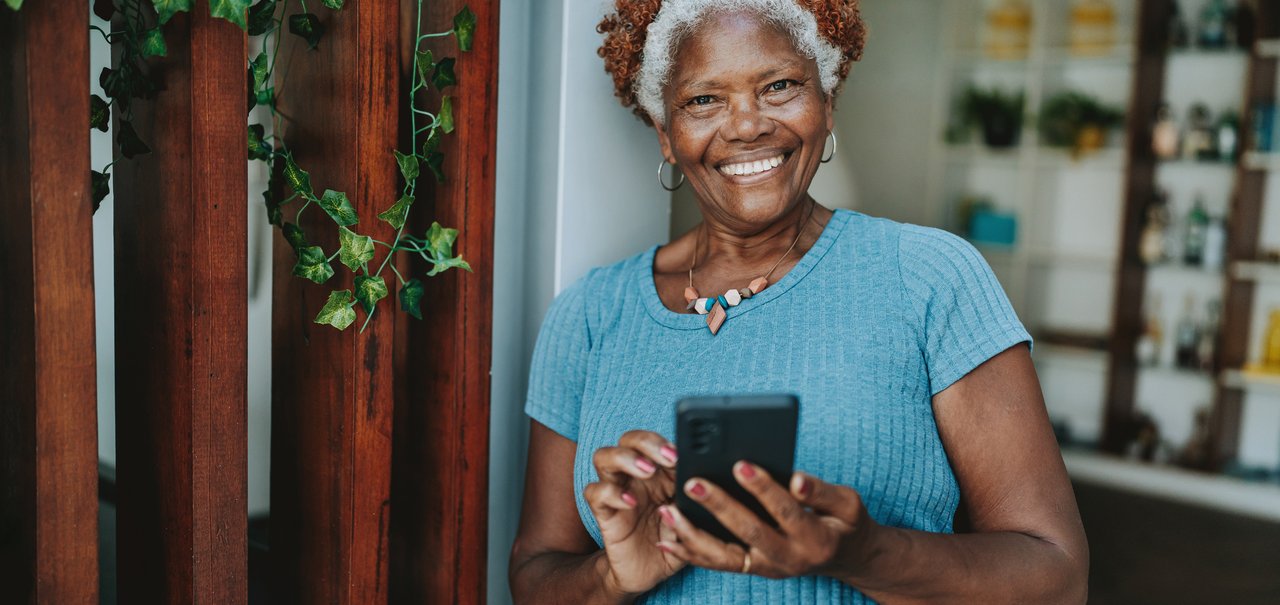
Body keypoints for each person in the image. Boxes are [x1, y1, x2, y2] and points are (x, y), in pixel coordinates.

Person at [509, 1, 1088, 603]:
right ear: (665, 133)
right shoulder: (589, 316)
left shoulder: (930, 278)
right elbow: (534, 574)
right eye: (704, 99)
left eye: (780, 86)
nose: (747, 124)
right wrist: (612, 577)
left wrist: (864, 554)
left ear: (827, 101)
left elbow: (1058, 577)